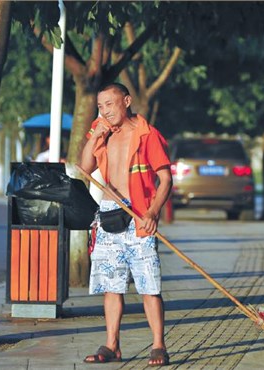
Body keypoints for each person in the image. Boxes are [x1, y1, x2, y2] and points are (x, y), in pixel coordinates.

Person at [80, 82, 172, 366]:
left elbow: (166, 178)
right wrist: (96, 132)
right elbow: (84, 168)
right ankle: (112, 345)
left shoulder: (147, 135)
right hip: (109, 215)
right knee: (112, 285)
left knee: (149, 285)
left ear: (127, 101)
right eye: (100, 106)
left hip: (138, 216)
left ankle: (158, 345)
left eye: (110, 104)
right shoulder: (104, 134)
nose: (105, 111)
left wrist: (153, 212)